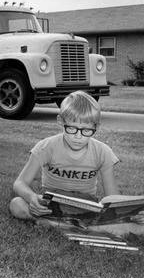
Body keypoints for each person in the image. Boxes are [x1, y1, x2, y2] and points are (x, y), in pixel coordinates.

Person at [9, 90, 144, 235]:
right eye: (72, 128)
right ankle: (81, 227)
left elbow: (112, 198)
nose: (78, 136)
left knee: (139, 225)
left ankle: (58, 224)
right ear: (61, 121)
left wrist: (130, 212)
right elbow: (20, 183)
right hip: (52, 205)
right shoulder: (46, 147)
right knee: (16, 204)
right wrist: (32, 198)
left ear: (96, 127)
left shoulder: (103, 152)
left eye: (86, 130)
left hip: (86, 206)